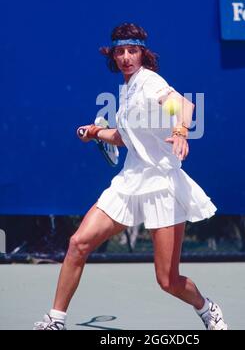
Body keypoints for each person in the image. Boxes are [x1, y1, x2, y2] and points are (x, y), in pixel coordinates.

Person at [33, 23, 228, 331]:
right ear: (113, 55)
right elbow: (125, 138)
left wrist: (179, 131)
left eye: (132, 51)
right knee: (78, 243)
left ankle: (207, 308)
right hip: (129, 182)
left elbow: (185, 106)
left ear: (142, 54)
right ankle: (55, 320)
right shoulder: (128, 89)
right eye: (120, 51)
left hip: (161, 185)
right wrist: (96, 131)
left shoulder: (149, 81)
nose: (126, 57)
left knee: (168, 280)